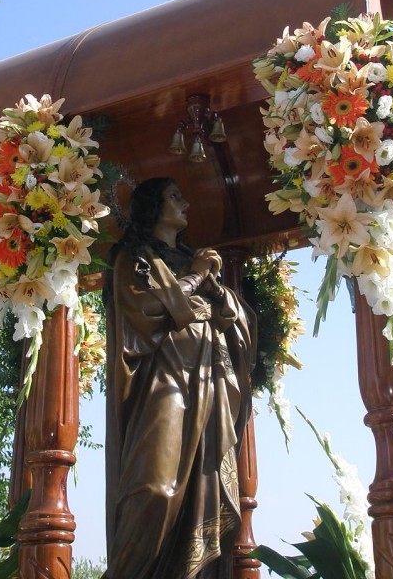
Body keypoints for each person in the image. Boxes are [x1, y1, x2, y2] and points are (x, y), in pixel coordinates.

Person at [102, 178, 254, 579]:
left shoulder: (192, 258)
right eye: (174, 196)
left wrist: (217, 290)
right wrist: (196, 278)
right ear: (153, 206)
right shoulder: (134, 259)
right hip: (161, 379)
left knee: (203, 491)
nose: (185, 202)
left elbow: (235, 318)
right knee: (154, 488)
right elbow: (144, 311)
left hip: (207, 378)